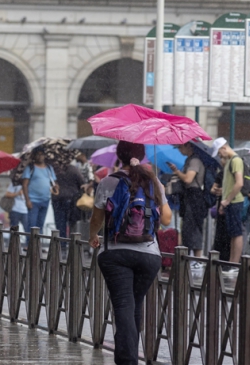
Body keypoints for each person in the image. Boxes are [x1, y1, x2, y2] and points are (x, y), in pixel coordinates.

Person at [88, 141, 172, 365]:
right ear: (142, 156)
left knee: (124, 305)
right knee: (135, 304)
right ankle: (129, 356)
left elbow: (97, 218)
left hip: (115, 253)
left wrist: (92, 236)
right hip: (149, 255)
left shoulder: (109, 181)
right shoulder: (153, 182)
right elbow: (166, 219)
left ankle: (127, 360)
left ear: (119, 156)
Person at [169, 142, 207, 271]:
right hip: (188, 197)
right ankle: (191, 258)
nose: (179, 149)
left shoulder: (195, 160)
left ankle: (197, 260)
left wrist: (177, 171)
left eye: (181, 147)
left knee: (194, 227)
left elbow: (188, 179)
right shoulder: (189, 160)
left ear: (189, 146)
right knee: (187, 228)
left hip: (195, 197)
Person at [210, 137, 244, 271]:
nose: (220, 156)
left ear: (224, 147)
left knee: (236, 233)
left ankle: (234, 264)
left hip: (234, 201)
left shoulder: (236, 160)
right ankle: (231, 262)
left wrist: (227, 200)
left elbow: (239, 183)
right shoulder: (230, 161)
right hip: (230, 202)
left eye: (219, 153)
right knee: (233, 234)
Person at [22, 147, 59, 234]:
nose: (40, 156)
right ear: (34, 156)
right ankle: (29, 245)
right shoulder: (30, 168)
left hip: (45, 200)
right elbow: (24, 185)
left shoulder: (49, 168)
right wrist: (27, 200)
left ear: (44, 156)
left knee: (40, 225)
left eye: (41, 154)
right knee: (32, 225)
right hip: (33, 201)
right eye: (37, 154)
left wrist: (56, 187)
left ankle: (38, 245)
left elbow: (53, 182)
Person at [51, 163, 84, 248]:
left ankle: (62, 245)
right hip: (72, 199)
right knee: (72, 223)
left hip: (57, 199)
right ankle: (73, 244)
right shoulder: (73, 169)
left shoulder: (53, 169)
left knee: (60, 223)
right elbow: (82, 182)